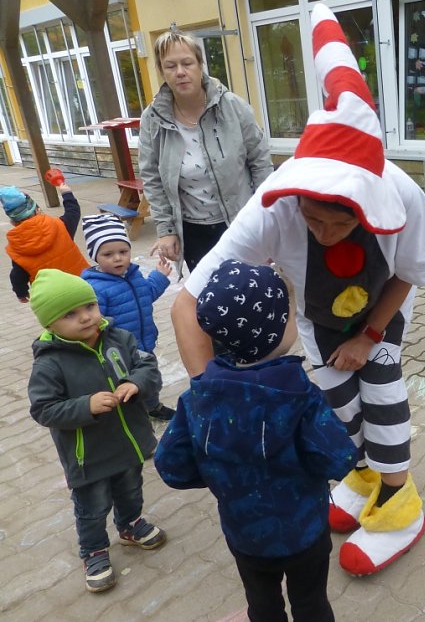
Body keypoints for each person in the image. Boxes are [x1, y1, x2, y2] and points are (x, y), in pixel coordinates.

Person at [170, 4, 425, 577]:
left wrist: (372, 336)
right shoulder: (275, 200)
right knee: (336, 403)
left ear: (366, 206)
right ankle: (362, 473)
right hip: (320, 313)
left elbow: (410, 272)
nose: (323, 233)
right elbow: (187, 301)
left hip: (383, 303)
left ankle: (400, 502)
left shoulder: (401, 194)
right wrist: (212, 396)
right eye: (313, 220)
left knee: (379, 387)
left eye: (340, 224)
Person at [155, 260, 357, 622]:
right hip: (304, 533)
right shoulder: (300, 397)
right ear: (277, 331)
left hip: (245, 535)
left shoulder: (198, 397)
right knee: (311, 603)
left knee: (262, 606)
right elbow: (339, 458)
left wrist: (224, 472)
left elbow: (171, 466)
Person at [26, 269, 166, 593]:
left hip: (128, 442)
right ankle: (94, 551)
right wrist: (85, 406)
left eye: (89, 306)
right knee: (92, 507)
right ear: (49, 325)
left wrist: (135, 382)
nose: (86, 317)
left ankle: (130, 525)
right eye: (70, 314)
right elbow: (43, 409)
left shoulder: (120, 338)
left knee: (131, 489)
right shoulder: (50, 363)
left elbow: (147, 365)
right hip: (88, 456)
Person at [138, 28, 274, 275]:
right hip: (194, 232)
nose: (180, 72)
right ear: (161, 70)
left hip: (242, 223)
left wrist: (265, 214)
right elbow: (152, 178)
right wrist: (166, 230)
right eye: (170, 66)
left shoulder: (232, 107)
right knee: (211, 301)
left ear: (200, 65)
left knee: (252, 294)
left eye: (187, 63)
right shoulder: (152, 119)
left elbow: (260, 163)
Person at [81, 214, 176, 421]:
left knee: (149, 377)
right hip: (119, 349)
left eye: (123, 251)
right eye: (108, 254)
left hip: (145, 342)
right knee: (126, 382)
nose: (118, 258)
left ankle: (153, 406)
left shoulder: (133, 274)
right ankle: (133, 417)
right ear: (95, 256)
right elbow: (96, 321)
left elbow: (146, 294)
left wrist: (159, 276)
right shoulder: (95, 287)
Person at [2, 183, 88, 302]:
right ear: (38, 210)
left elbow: (17, 275)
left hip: (51, 297)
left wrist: (21, 293)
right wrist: (66, 193)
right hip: (81, 285)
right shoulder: (60, 225)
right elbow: (73, 211)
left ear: (13, 222)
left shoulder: (17, 246)